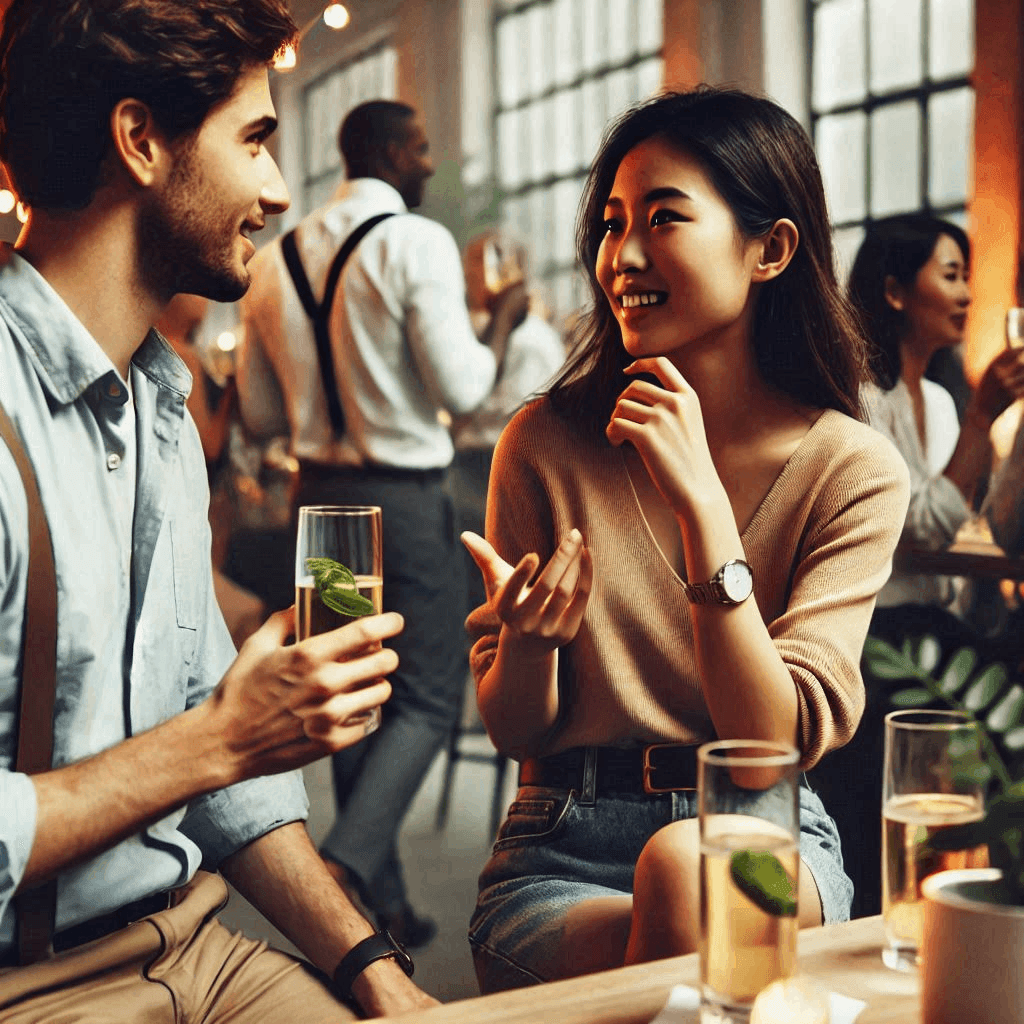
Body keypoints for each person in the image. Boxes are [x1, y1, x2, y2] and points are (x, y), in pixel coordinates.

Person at [0, 2, 436, 1019]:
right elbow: (214, 746)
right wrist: (223, 738)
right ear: (140, 140)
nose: (279, 191)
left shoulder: (162, 409)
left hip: (195, 943)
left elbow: (218, 758)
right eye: (254, 140)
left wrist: (372, 966)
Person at [460, 86, 911, 992]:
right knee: (684, 915)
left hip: (766, 833)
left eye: (663, 219)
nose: (621, 255)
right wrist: (532, 643)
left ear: (771, 249)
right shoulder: (542, 442)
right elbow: (517, 730)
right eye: (612, 222)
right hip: (562, 849)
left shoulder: (854, 468)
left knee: (685, 873)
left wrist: (704, 505)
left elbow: (768, 739)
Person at [236, 99, 529, 948]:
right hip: (402, 499)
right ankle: (347, 867)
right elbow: (465, 389)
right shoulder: (414, 243)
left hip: (315, 506)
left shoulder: (275, 257)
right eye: (423, 147)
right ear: (389, 153)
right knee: (432, 696)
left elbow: (257, 414)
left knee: (353, 690)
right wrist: (502, 322)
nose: (430, 165)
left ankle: (386, 906)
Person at [812, 215, 1024, 917]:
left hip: (941, 621)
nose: (968, 294)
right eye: (952, 274)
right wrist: (982, 418)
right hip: (882, 635)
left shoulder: (936, 396)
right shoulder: (859, 401)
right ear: (897, 292)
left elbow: (974, 516)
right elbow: (919, 522)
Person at [451, 230, 566, 616]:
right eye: (471, 264)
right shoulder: (468, 332)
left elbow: (530, 409)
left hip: (500, 463)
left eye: (483, 263)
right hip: (466, 469)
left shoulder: (534, 339)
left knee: (505, 571)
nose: (473, 275)